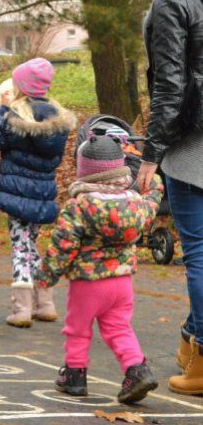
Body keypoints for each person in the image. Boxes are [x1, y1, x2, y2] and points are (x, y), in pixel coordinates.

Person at [40, 135, 163, 404]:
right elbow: (153, 200)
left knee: (77, 328)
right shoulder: (135, 202)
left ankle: (74, 375)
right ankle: (137, 370)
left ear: (84, 170)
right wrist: (153, 178)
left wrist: (47, 275)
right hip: (121, 282)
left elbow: (64, 244)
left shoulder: (80, 205)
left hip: (88, 282)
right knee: (119, 328)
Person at [136, 0, 203, 396]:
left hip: (191, 145)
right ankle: (189, 341)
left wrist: (151, 153)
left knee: (197, 252)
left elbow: (170, 86)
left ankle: (200, 361)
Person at [0, 58, 76, 328]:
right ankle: (44, 303)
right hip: (43, 192)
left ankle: (21, 309)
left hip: (16, 192)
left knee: (21, 246)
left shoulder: (16, 115)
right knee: (30, 244)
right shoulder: (57, 117)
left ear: (21, 87)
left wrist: (0, 109)